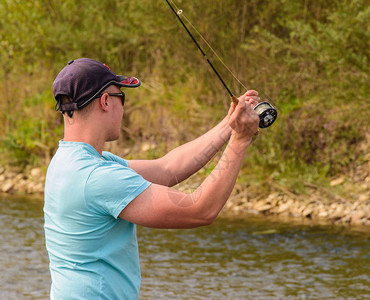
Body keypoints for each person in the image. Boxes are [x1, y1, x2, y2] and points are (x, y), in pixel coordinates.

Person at [44, 58, 260, 299]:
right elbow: (200, 210)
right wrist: (240, 140)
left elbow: (167, 168)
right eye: (121, 97)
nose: (123, 107)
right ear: (106, 101)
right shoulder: (97, 178)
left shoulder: (69, 161)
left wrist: (230, 125)